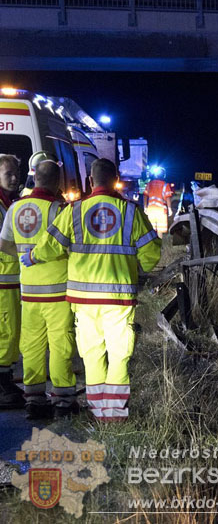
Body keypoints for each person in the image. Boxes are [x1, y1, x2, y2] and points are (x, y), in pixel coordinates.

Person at [26, 158, 162, 422]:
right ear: (116, 179)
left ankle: (97, 410)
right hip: (118, 299)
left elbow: (50, 245)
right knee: (120, 354)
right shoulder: (131, 212)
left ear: (90, 181)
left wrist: (32, 256)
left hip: (84, 300)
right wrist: (136, 265)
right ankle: (114, 412)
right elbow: (151, 254)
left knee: (91, 354)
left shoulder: (73, 211)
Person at [0, 160, 76, 419]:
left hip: (28, 291)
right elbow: (68, 248)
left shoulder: (15, 208)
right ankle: (64, 399)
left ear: (35, 178)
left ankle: (34, 399)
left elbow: (5, 244)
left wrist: (24, 254)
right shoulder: (59, 210)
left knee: (30, 345)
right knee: (60, 345)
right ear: (57, 182)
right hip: (57, 292)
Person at [0, 155, 22, 409]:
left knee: (9, 333)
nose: (15, 178)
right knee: (5, 334)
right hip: (3, 280)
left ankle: (4, 379)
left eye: (16, 173)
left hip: (10, 280)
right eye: (9, 174)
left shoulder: (10, 202)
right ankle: (2, 383)